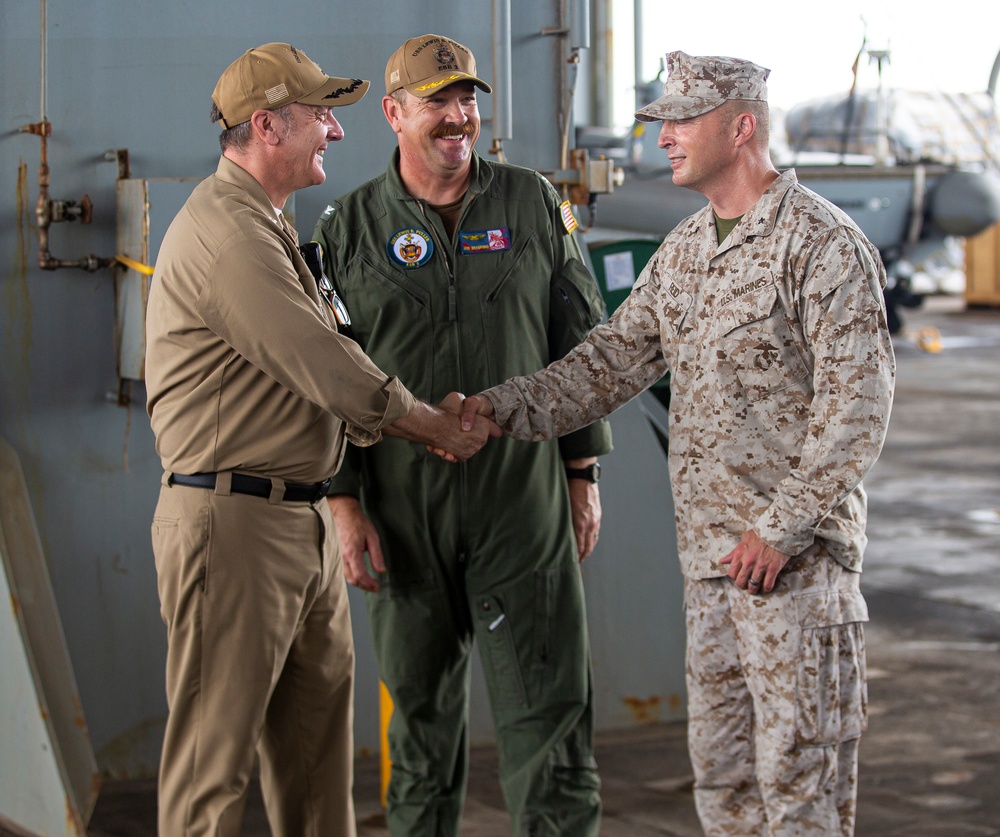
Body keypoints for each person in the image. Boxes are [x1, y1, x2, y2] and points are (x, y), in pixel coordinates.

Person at [459, 51, 896, 836]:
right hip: (711, 573)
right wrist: (491, 410)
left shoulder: (822, 245)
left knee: (801, 794)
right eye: (661, 121)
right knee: (724, 791)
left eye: (682, 120)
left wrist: (782, 526)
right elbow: (603, 367)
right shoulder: (687, 252)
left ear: (741, 125)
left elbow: (857, 409)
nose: (663, 137)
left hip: (796, 574)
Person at [144, 42, 498, 837]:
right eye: (320, 116)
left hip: (296, 517)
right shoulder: (229, 232)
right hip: (232, 525)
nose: (336, 132)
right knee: (212, 772)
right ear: (267, 126)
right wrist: (430, 422)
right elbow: (327, 366)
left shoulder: (269, 223)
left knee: (314, 773)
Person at [311, 33, 612, 837]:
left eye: (467, 98)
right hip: (403, 508)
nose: (458, 116)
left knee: (550, 716)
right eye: (438, 100)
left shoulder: (533, 204)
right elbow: (328, 372)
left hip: (524, 500)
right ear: (394, 113)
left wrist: (582, 472)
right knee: (417, 722)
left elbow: (579, 341)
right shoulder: (348, 227)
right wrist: (344, 504)